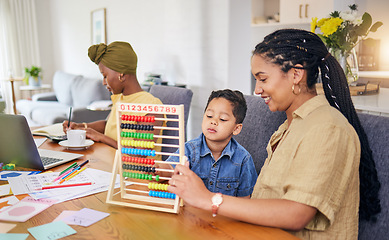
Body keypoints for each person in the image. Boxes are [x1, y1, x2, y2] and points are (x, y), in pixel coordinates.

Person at [167, 29, 381, 239]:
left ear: (296, 74)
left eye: (263, 79)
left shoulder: (328, 128)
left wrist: (209, 199)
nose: (257, 90)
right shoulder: (287, 128)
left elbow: (297, 214)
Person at [63, 41, 163, 149]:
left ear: (121, 74)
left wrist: (101, 137)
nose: (104, 82)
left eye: (105, 76)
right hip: (108, 161)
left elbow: (139, 152)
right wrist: (82, 127)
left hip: (133, 165)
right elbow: (109, 126)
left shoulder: (151, 105)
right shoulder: (120, 98)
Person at [165, 89, 257, 197]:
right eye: (209, 116)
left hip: (224, 213)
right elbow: (170, 167)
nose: (213, 121)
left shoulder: (243, 160)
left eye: (222, 119)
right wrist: (158, 169)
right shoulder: (189, 150)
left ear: (236, 128)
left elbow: (245, 201)